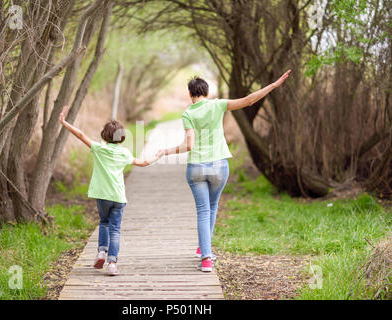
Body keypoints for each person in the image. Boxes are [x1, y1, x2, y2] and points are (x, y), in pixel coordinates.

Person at [156, 70, 292, 272]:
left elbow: (189, 145)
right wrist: (273, 85)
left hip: (196, 168)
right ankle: (205, 250)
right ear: (207, 92)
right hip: (219, 166)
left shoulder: (188, 113)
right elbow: (248, 100)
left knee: (203, 211)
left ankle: (206, 257)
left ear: (190, 93)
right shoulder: (217, 105)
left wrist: (165, 151)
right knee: (212, 207)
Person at [59, 106, 161, 276]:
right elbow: (143, 162)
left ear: (104, 135)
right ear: (121, 138)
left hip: (102, 196)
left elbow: (81, 135)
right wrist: (157, 156)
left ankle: (101, 252)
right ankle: (112, 263)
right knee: (115, 228)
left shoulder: (99, 149)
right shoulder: (124, 153)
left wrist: (64, 122)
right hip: (118, 197)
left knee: (103, 222)